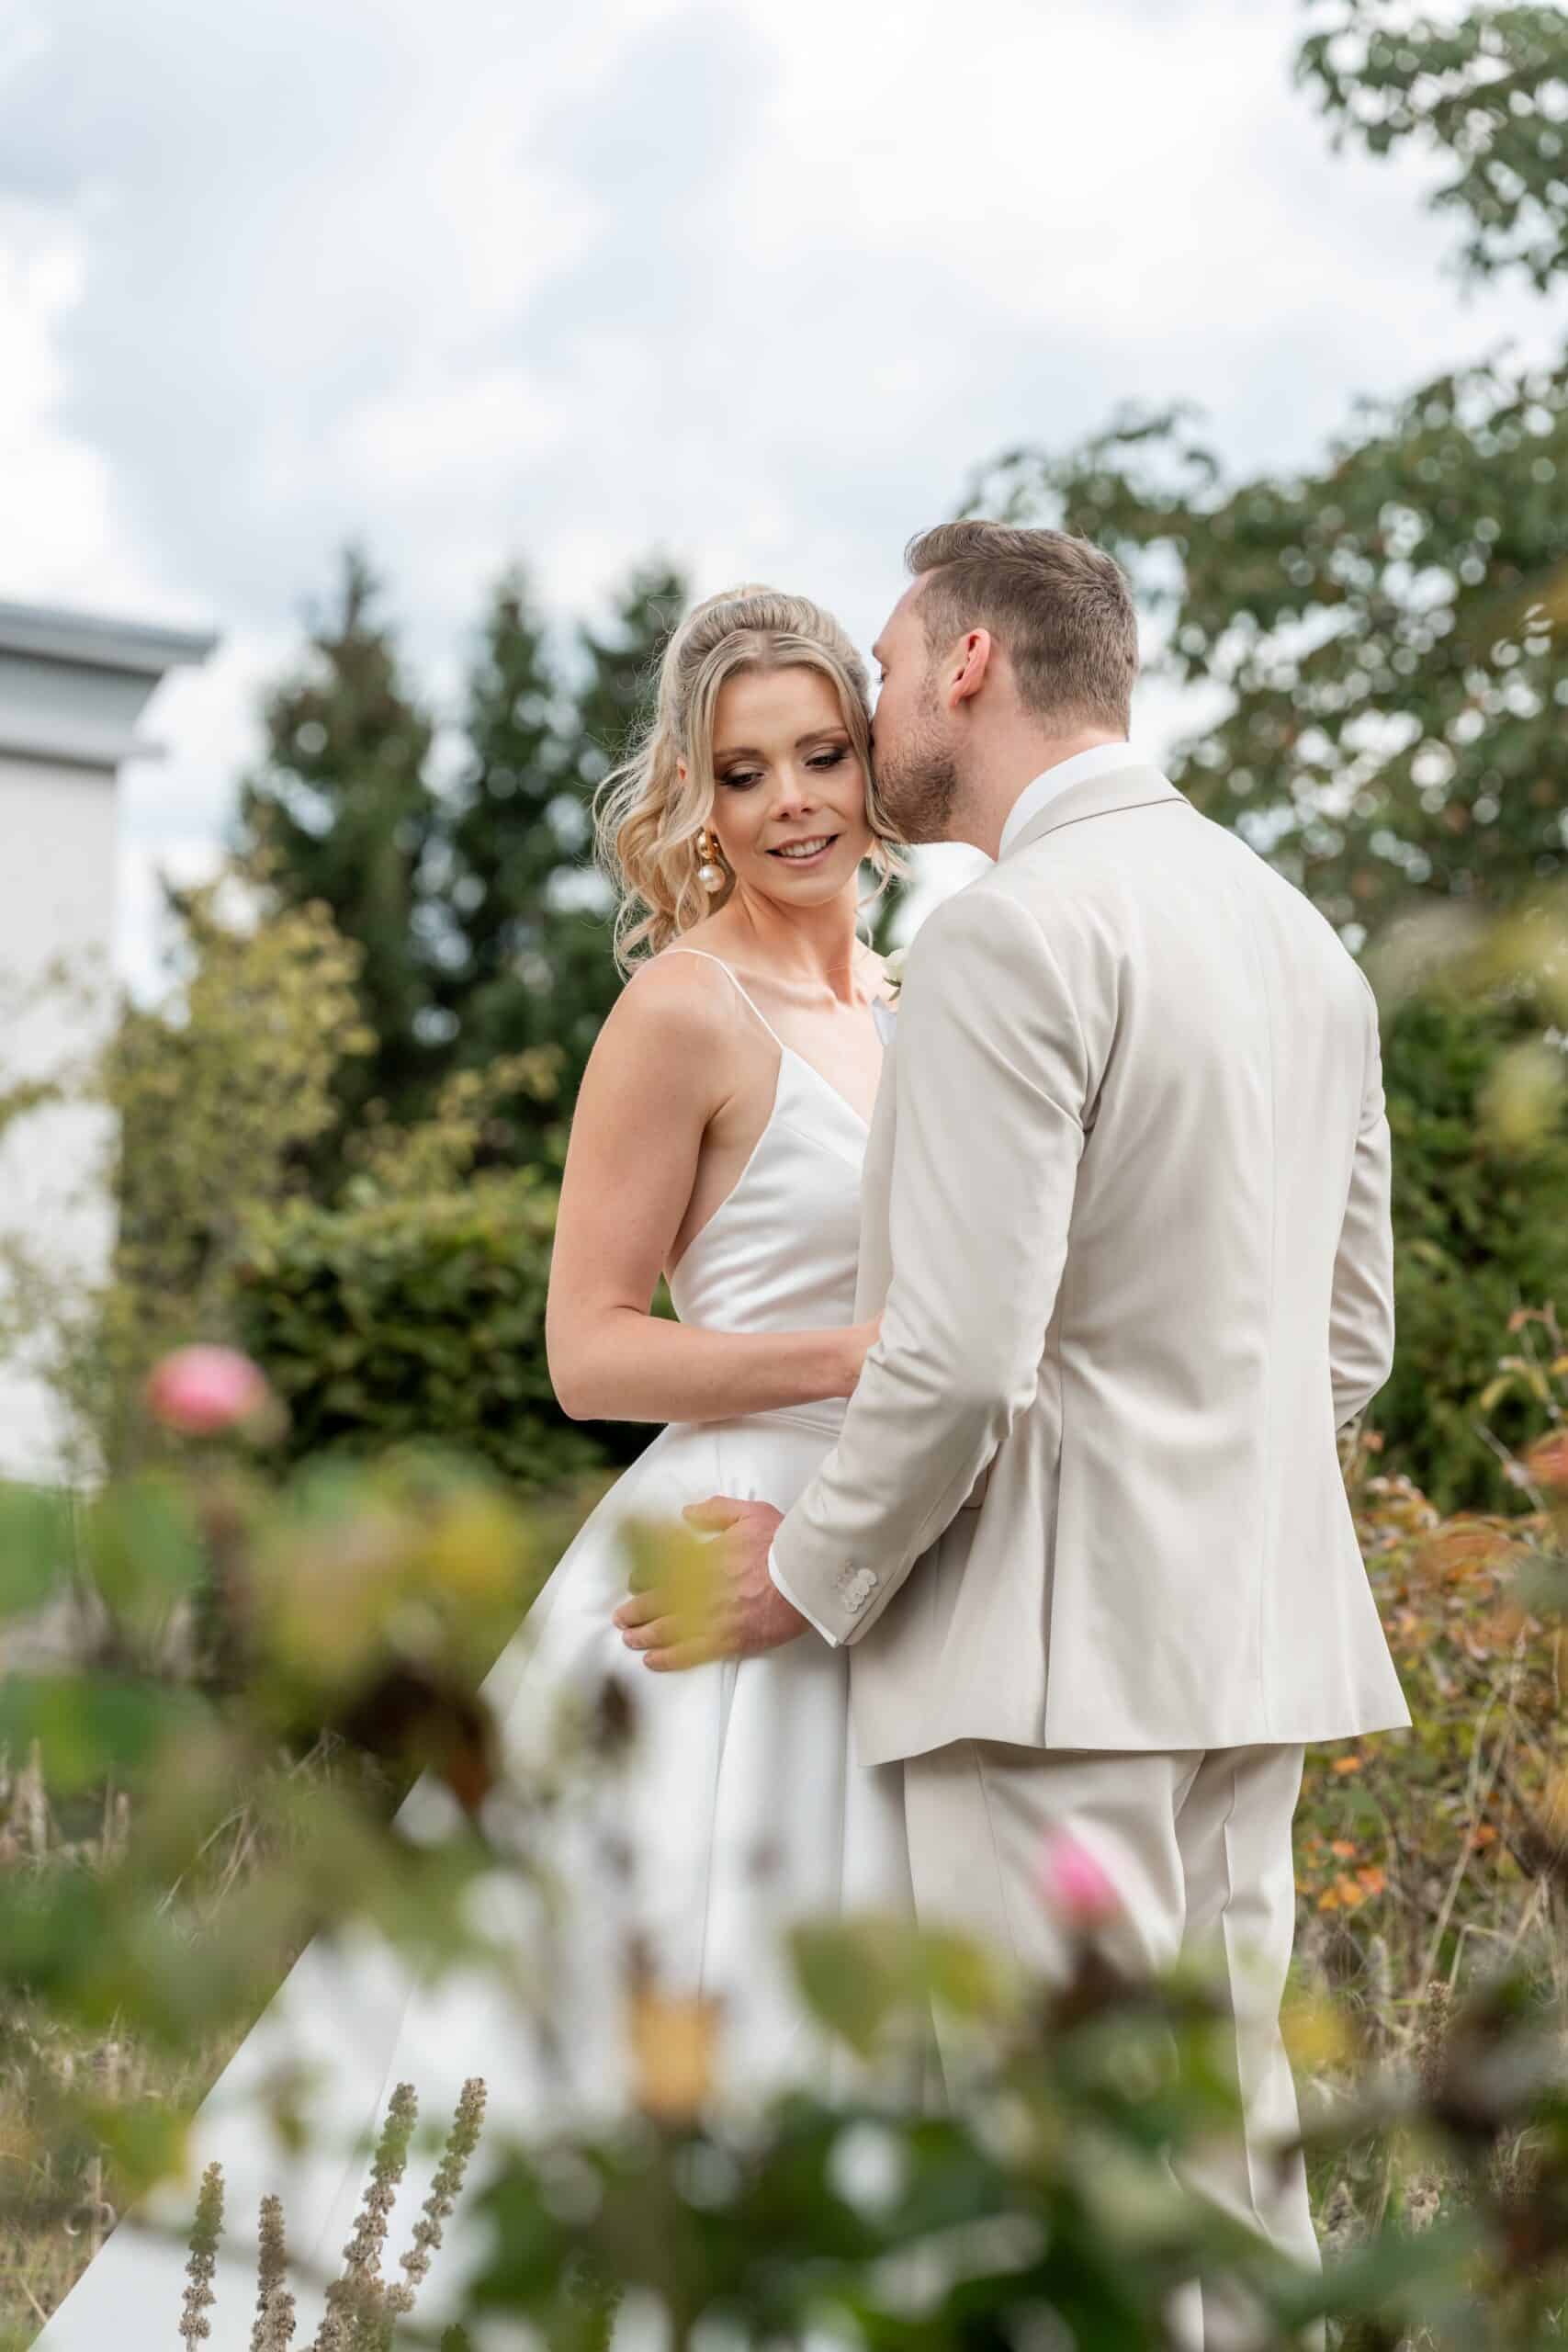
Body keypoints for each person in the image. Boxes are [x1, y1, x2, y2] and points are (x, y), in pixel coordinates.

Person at [29, 586, 921, 2349]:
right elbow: (590, 1347)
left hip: (882, 1547)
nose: (792, 803)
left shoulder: (919, 994)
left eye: (822, 754)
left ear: (873, 763)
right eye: (744, 773)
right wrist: (856, 1355)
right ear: (695, 798)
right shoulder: (685, 1010)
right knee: (632, 2002)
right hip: (715, 1548)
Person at [619, 522, 1413, 2350]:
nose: (877, 709)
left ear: (966, 664)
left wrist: (810, 1575)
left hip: (1042, 1664)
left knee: (1061, 2182)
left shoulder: (1003, 934)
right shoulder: (1301, 939)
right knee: (1228, 2162)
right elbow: (1348, 1338)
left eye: (888, 672)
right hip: (1251, 1646)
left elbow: (962, 1356)